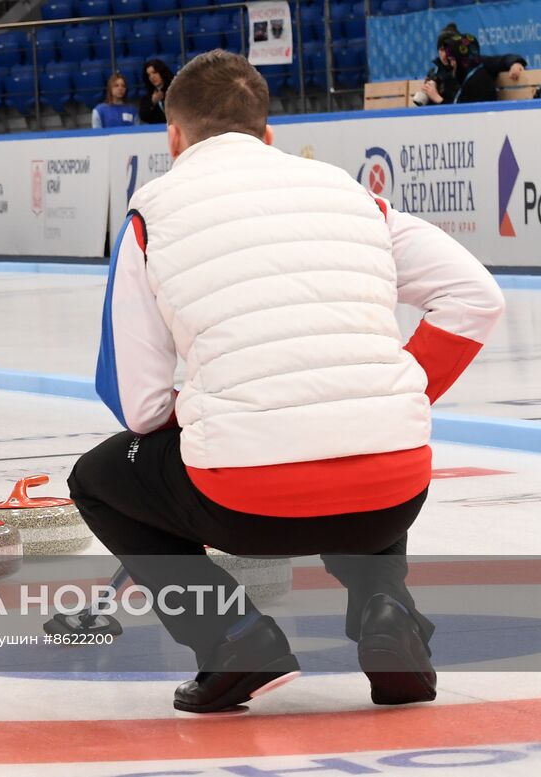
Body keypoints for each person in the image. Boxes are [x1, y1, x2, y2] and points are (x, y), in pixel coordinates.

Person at [69, 50, 504, 714]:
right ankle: (388, 612)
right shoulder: (353, 193)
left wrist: (219, 402)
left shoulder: (151, 213)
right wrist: (392, 387)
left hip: (246, 505)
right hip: (391, 493)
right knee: (356, 422)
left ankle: (234, 638)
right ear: (267, 133)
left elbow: (142, 404)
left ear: (173, 137)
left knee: (97, 479)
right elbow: (475, 297)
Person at [139, 59, 174, 124]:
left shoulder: (174, 90)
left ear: (162, 72)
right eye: (149, 75)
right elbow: (143, 116)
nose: (152, 77)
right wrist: (152, 102)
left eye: (154, 72)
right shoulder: (148, 97)